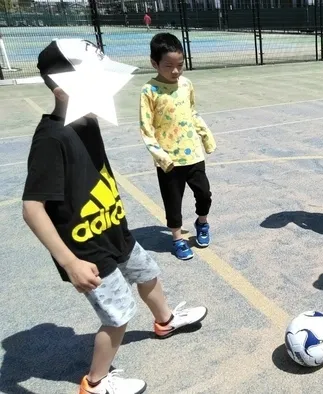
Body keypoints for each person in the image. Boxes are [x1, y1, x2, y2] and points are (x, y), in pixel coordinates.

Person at [22, 38, 208, 394]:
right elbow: (32, 209)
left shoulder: (86, 122)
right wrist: (70, 262)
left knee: (148, 273)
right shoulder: (50, 139)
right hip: (86, 250)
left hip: (115, 230)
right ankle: (95, 382)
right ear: (63, 86)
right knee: (118, 315)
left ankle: (165, 321)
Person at [139, 33, 217, 260]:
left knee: (204, 193)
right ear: (154, 63)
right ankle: (177, 238)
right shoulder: (149, 91)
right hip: (169, 160)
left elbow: (192, 112)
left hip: (193, 153)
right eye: (169, 66)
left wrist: (205, 135)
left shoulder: (186, 84)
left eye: (180, 65)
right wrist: (160, 157)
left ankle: (202, 222)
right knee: (172, 202)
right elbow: (146, 128)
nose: (175, 71)